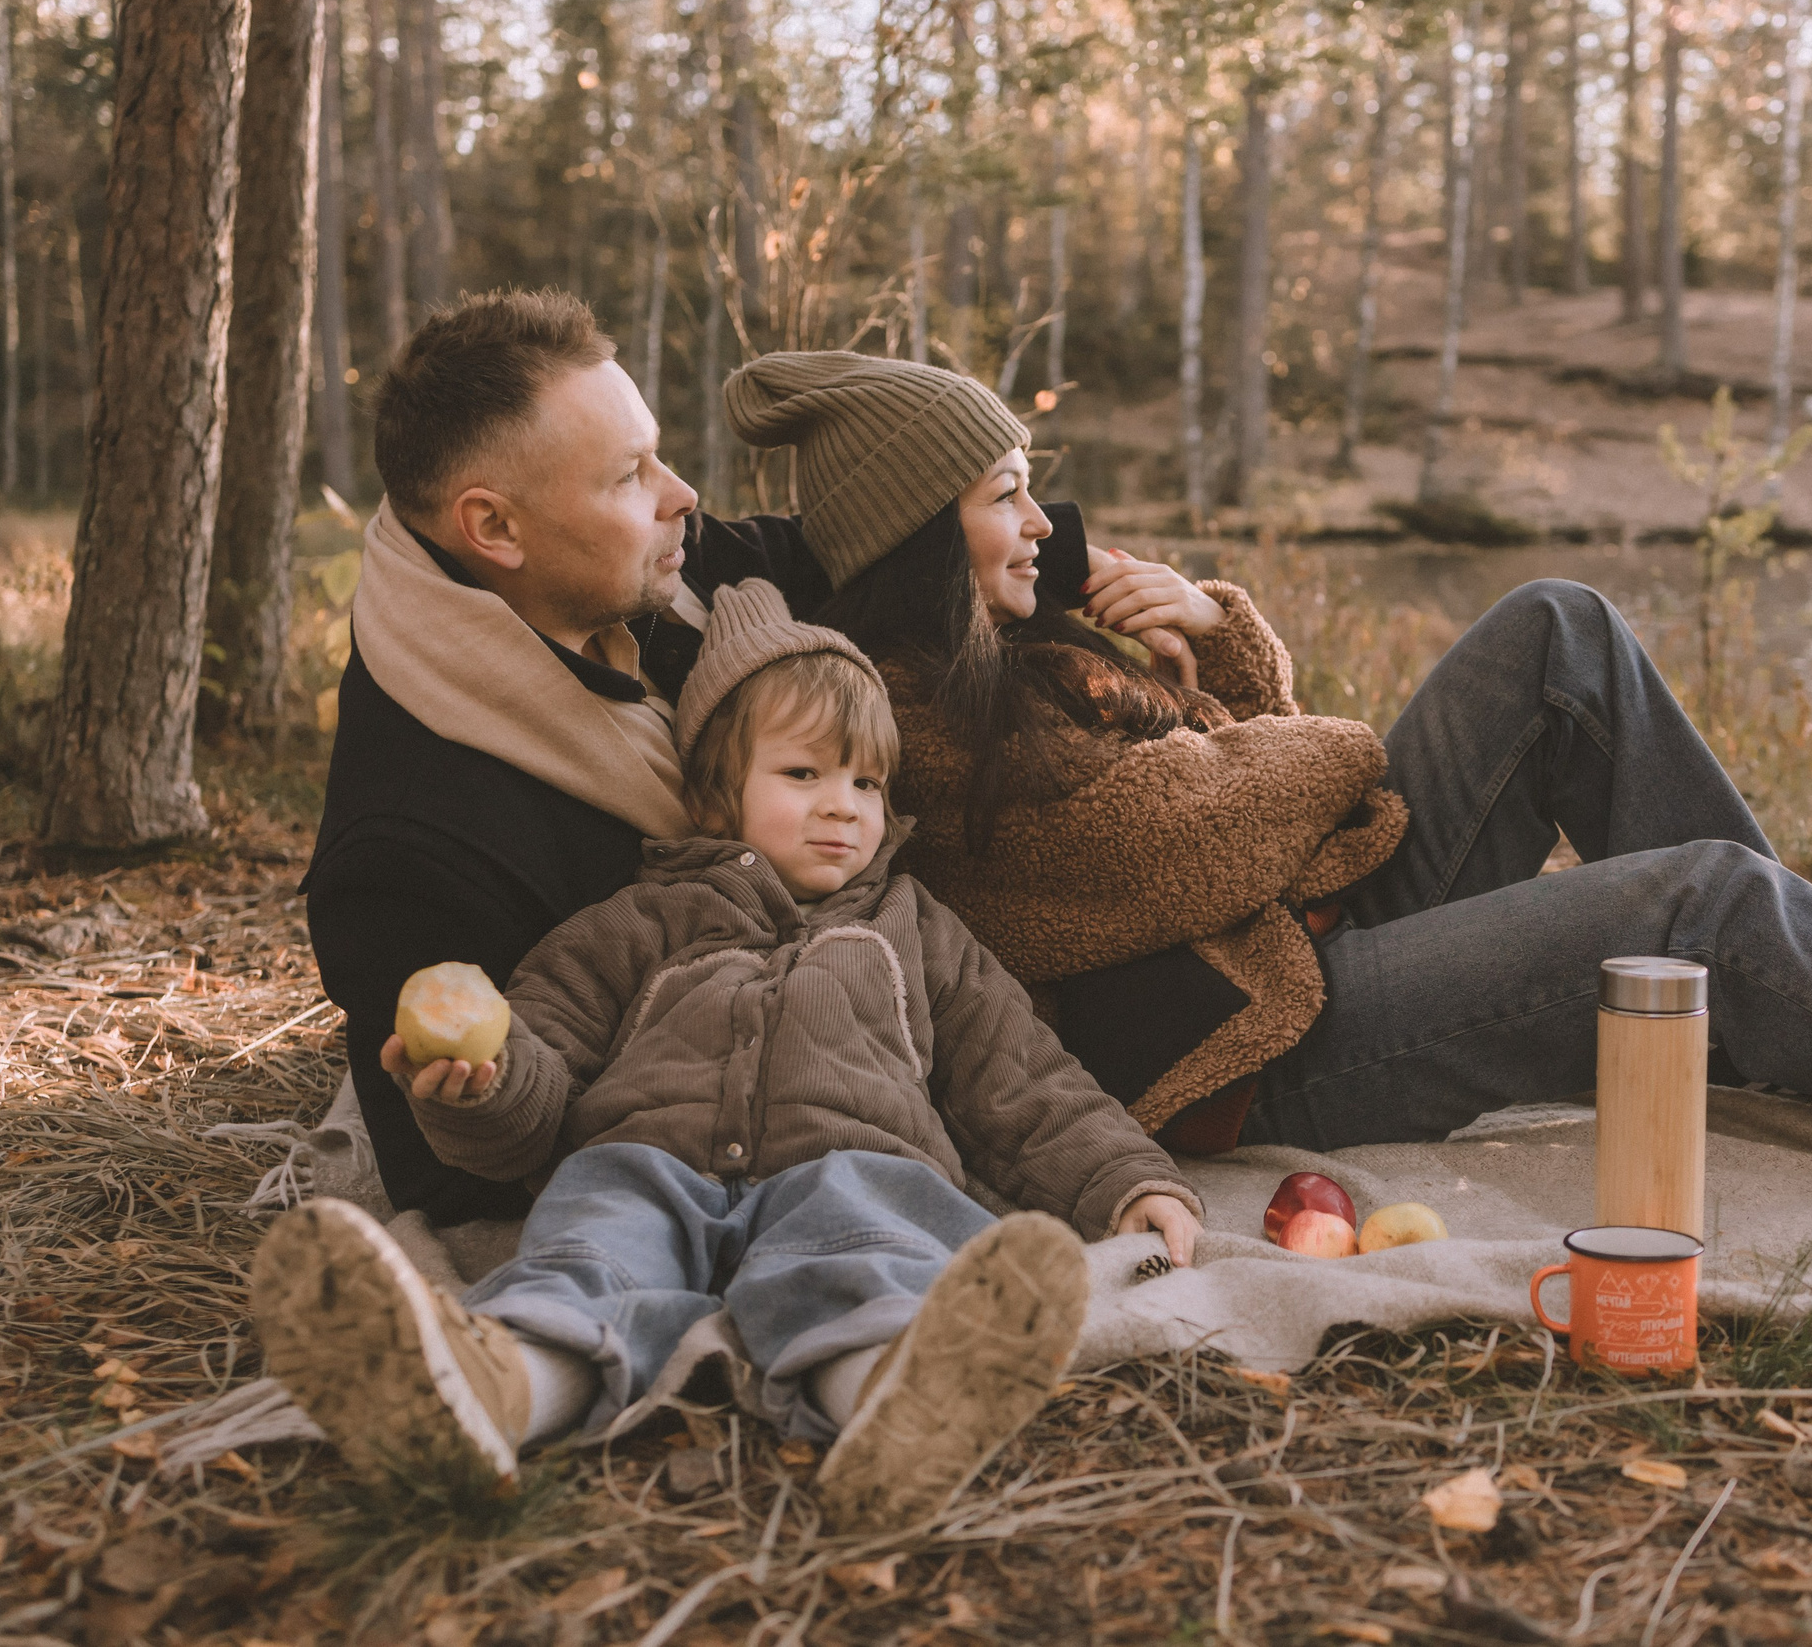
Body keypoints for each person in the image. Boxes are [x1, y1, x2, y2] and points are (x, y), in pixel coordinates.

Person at [711, 348, 1812, 1238]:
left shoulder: (1016, 654)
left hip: (1283, 932)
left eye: (1033, 489)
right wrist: (1239, 708)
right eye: (1005, 498)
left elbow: (1261, 787)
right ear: (911, 529)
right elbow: (1269, 797)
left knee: (1563, 628)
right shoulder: (906, 720)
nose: (1040, 524)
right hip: (1249, 1048)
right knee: (1690, 900)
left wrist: (1218, 654)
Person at [255, 583, 1202, 1530]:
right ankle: (487, 1392)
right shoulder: (640, 920)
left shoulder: (918, 929)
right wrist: (484, 1084)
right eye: (803, 775)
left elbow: (1021, 1075)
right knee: (587, 1253)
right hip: (647, 1160)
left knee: (873, 1251)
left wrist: (1124, 1178)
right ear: (716, 795)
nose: (843, 808)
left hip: (851, 1161)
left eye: (867, 783)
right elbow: (541, 1049)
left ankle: (899, 1400)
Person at [301, 291, 1111, 1229]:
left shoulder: (633, 569)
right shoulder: (410, 851)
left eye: (658, 453)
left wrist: (1093, 565)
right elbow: (467, 1168)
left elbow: (829, 547)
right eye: (628, 476)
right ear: (495, 529)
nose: (681, 494)